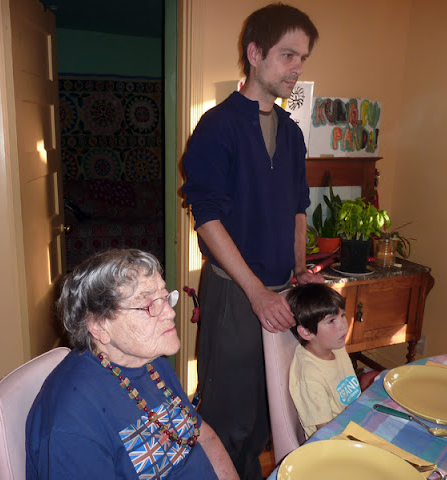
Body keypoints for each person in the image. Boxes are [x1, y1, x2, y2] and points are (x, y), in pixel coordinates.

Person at [181, 3, 321, 478]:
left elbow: (298, 208)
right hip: (235, 297)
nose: (297, 68)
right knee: (228, 422)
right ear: (255, 53)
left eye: (302, 58)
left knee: (269, 415)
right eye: (288, 55)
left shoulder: (292, 133)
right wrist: (256, 292)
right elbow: (206, 218)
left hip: (282, 295)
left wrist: (299, 271)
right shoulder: (217, 126)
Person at [25, 249, 239, 480]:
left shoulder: (150, 361)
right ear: (98, 325)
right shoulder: (72, 421)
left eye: (165, 296)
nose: (169, 312)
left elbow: (204, 436)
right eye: (148, 305)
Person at [285, 283, 361, 439]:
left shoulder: (335, 346)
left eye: (342, 315)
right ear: (306, 332)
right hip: (336, 440)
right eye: (331, 321)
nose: (343, 326)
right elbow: (327, 433)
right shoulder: (309, 377)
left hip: (354, 421)